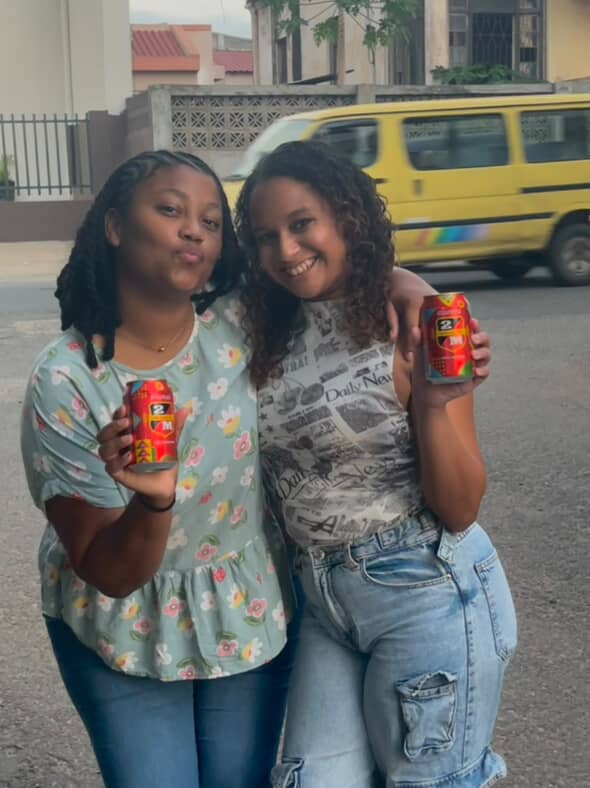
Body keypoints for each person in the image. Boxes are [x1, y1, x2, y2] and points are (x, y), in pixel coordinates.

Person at [19, 149, 434, 788]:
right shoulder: (67, 380)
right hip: (122, 626)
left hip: (245, 606)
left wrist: (406, 284)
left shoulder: (241, 322)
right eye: (170, 210)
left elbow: (328, 273)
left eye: (211, 223)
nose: (194, 231)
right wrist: (153, 501)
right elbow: (109, 570)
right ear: (115, 226)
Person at [234, 140, 518, 788]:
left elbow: (459, 508)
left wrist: (434, 405)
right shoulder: (267, 326)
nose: (285, 250)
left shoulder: (411, 323)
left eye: (301, 224)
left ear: (347, 219)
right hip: (322, 598)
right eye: (266, 237)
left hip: (423, 588)